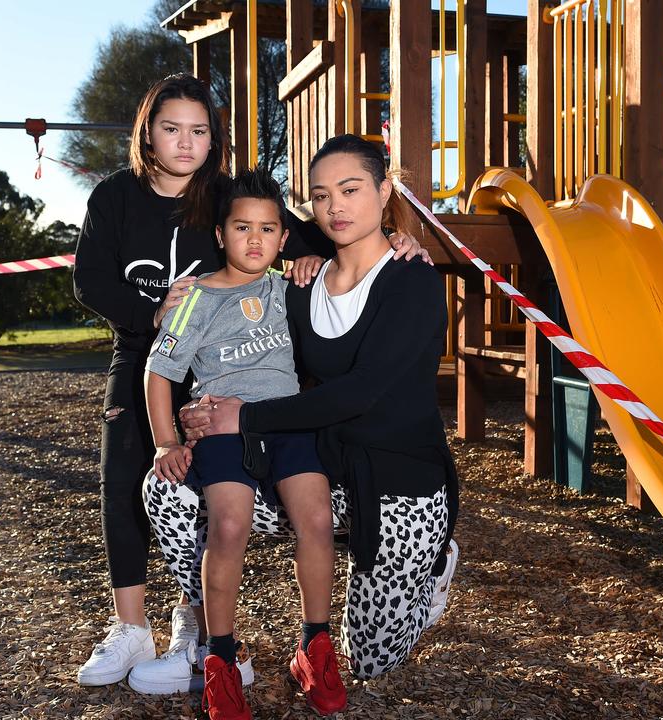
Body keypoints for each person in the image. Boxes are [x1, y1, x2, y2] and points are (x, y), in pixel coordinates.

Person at [71, 73, 427, 690]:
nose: (185, 143)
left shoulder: (227, 193)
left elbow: (317, 229)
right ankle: (136, 629)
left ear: (215, 139)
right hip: (151, 347)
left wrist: (392, 236)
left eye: (199, 131)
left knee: (229, 503)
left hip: (235, 366)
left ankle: (197, 627)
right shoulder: (115, 198)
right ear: (147, 134)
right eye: (171, 129)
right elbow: (90, 282)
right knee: (130, 477)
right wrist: (151, 316)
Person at [169, 134, 460, 681]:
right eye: (321, 196)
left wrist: (245, 418)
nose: (336, 207)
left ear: (385, 189)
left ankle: (434, 565)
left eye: (350, 190)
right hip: (327, 470)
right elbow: (237, 274)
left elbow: (361, 391)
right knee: (173, 491)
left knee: (370, 660)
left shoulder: (414, 280)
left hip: (401, 481)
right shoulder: (301, 282)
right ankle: (209, 634)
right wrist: (179, 307)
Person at [141, 170, 345, 719]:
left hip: (287, 425)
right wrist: (165, 443)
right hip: (225, 430)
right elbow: (159, 373)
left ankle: (314, 647)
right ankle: (222, 660)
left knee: (318, 520)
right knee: (229, 526)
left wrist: (315, 265)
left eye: (268, 229)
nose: (255, 240)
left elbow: (352, 279)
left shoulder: (292, 288)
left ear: (283, 237)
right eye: (242, 228)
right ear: (220, 235)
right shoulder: (196, 298)